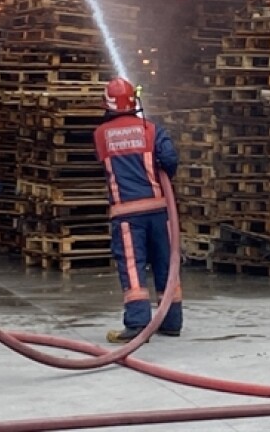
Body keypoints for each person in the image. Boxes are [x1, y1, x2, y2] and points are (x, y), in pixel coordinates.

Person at [93, 77, 182, 343]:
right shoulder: (153, 130)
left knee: (133, 267)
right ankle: (171, 321)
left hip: (126, 215)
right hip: (159, 211)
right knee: (167, 265)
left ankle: (137, 323)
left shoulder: (100, 135)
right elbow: (169, 160)